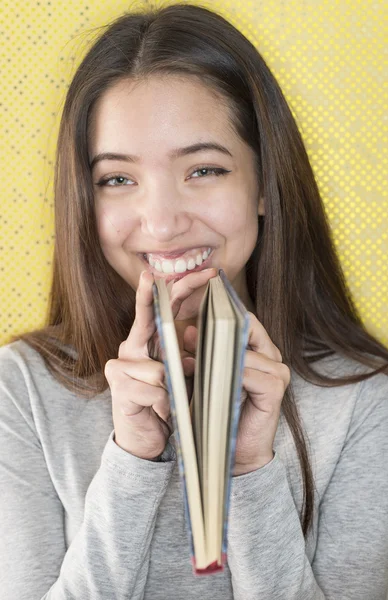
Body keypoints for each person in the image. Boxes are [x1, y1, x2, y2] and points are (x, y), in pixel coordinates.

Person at [0, 3, 387, 599]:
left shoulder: (364, 398)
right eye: (117, 179)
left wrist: (251, 468)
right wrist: (132, 460)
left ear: (264, 184)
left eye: (203, 169)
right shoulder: (21, 390)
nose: (161, 224)